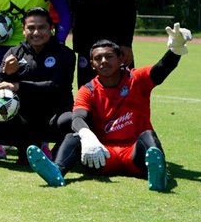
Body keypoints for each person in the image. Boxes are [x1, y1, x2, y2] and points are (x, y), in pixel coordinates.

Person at [28, 26, 190, 192]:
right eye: (98, 58)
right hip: (101, 155)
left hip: (136, 155)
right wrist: (87, 136)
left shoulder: (137, 78)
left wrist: (175, 50)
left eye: (109, 56)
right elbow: (78, 118)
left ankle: (159, 176)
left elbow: (161, 69)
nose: (103, 61)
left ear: (121, 59)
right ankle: (56, 171)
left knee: (148, 136)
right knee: (73, 136)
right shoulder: (88, 89)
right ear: (92, 64)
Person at [0, 7, 75, 163]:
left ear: (51, 28)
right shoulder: (14, 53)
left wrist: (19, 85)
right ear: (24, 30)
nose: (36, 33)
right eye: (31, 28)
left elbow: (57, 86)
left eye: (42, 27)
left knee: (70, 121)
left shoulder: (65, 54)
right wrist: (7, 73)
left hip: (53, 116)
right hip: (24, 118)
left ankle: (58, 155)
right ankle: (28, 149)